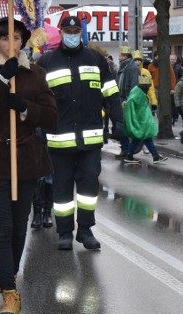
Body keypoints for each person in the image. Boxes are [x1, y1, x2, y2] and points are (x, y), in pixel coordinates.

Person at [0, 17, 57, 314]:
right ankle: (9, 292)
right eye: (5, 39)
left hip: (28, 157)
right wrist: (2, 79)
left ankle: (10, 276)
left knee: (21, 226)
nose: (12, 44)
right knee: (2, 226)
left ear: (23, 42)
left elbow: (50, 116)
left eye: (17, 38)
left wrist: (25, 108)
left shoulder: (36, 74)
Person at [36, 16, 125, 251]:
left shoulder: (95, 59)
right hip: (58, 140)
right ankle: (64, 232)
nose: (72, 34)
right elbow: (36, 99)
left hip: (90, 139)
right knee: (62, 188)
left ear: (81, 32)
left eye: (76, 30)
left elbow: (111, 93)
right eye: (68, 30)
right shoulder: (46, 61)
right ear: (61, 32)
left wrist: (119, 122)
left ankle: (85, 230)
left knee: (88, 188)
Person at [123, 73, 168, 164]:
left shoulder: (139, 91)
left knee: (139, 138)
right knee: (146, 137)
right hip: (140, 119)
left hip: (141, 119)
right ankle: (155, 156)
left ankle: (130, 155)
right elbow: (131, 103)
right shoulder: (139, 93)